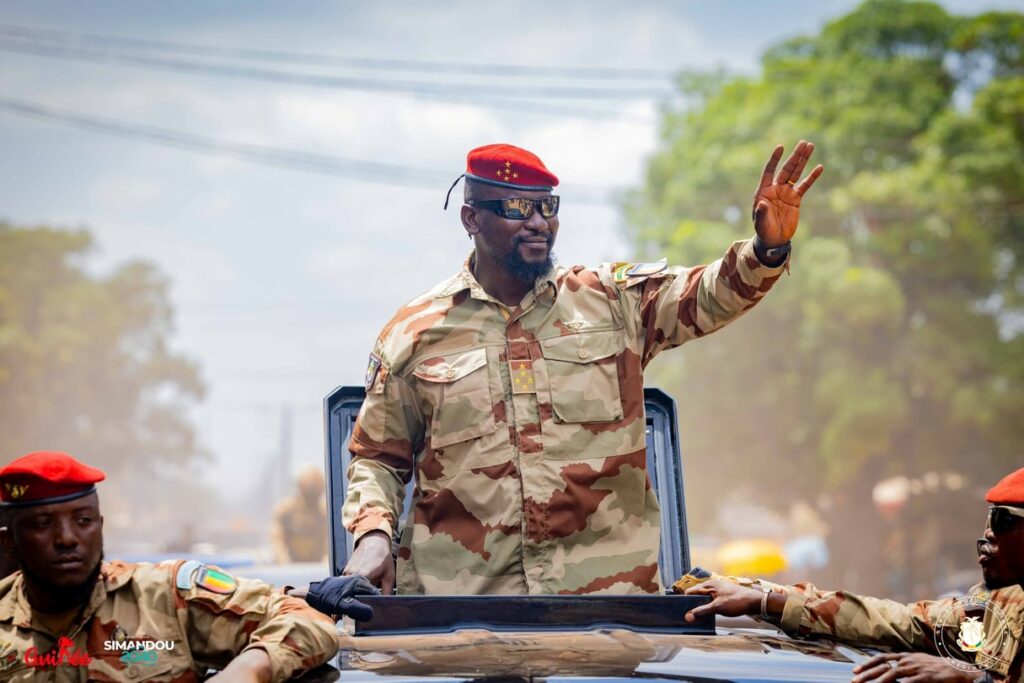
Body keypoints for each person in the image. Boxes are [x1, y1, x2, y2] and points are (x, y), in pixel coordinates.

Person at [342, 141, 824, 595]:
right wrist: (372, 535)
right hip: (463, 613)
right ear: (472, 218)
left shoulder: (611, 304)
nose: (537, 223)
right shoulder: (416, 334)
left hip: (609, 612)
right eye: (516, 209)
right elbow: (377, 458)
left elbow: (709, 293)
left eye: (547, 208)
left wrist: (765, 251)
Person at [0, 451, 353, 682]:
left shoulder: (165, 596)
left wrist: (249, 669)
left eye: (83, 520)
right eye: (43, 524)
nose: (67, 538)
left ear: (100, 526)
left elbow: (306, 619)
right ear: (9, 542)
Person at [682, 467, 1024, 682]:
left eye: (1002, 521)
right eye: (988, 519)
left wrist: (974, 679)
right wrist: (765, 599)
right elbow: (894, 621)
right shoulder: (995, 607)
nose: (987, 535)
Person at [270, 466, 328, 564]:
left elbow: (329, 543)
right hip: (291, 567)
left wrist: (327, 561)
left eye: (314, 494)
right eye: (308, 493)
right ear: (300, 489)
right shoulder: (286, 510)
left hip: (318, 568)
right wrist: (284, 561)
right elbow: (276, 540)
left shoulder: (325, 513)